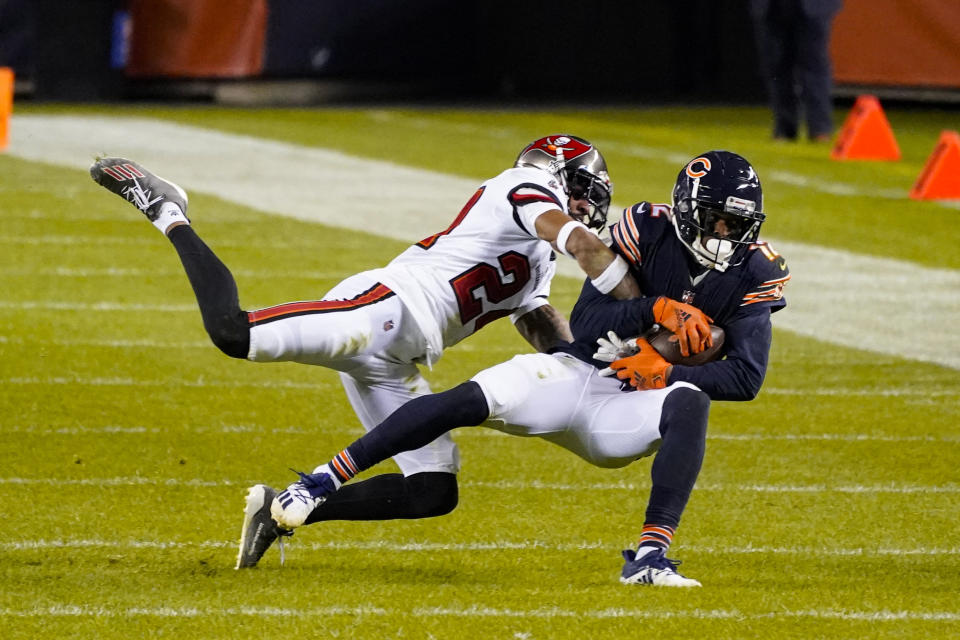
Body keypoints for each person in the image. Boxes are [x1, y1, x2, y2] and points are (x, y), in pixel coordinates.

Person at [88, 134, 642, 567]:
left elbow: (537, 318)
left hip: (397, 358)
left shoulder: (539, 257)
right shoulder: (520, 185)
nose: (592, 206)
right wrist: (645, 305)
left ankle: (279, 509)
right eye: (587, 191)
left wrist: (590, 361)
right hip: (380, 312)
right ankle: (168, 210)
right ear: (562, 175)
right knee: (234, 333)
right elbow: (585, 244)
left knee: (432, 491)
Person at [246, 150, 790, 587]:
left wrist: (663, 372)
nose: (725, 233)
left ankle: (649, 558)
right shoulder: (646, 229)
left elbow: (746, 377)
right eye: (718, 219)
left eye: (737, 223)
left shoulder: (756, 267)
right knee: (468, 399)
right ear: (686, 211)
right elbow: (589, 316)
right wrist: (653, 310)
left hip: (627, 408)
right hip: (581, 371)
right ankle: (321, 481)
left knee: (690, 402)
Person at [749, 0, 843, 141]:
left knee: (814, 65)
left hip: (814, 6)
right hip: (772, 6)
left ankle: (819, 128)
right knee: (777, 66)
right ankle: (784, 128)